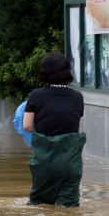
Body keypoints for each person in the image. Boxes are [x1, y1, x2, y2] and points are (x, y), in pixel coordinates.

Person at [23, 51, 86, 207]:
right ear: (67, 72)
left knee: (39, 206)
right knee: (69, 207)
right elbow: (72, 122)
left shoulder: (36, 96)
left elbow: (27, 125)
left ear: (44, 72)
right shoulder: (77, 96)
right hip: (71, 162)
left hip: (45, 160)